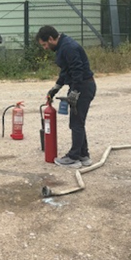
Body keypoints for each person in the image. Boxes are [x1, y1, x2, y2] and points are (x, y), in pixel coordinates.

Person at [36, 25, 97, 168]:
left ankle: (74, 157)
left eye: (45, 44)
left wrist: (75, 92)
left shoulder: (68, 47)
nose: (45, 48)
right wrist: (55, 89)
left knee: (76, 123)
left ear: (51, 39)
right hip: (82, 86)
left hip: (83, 87)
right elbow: (65, 72)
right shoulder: (63, 46)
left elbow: (77, 70)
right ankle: (83, 155)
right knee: (78, 122)